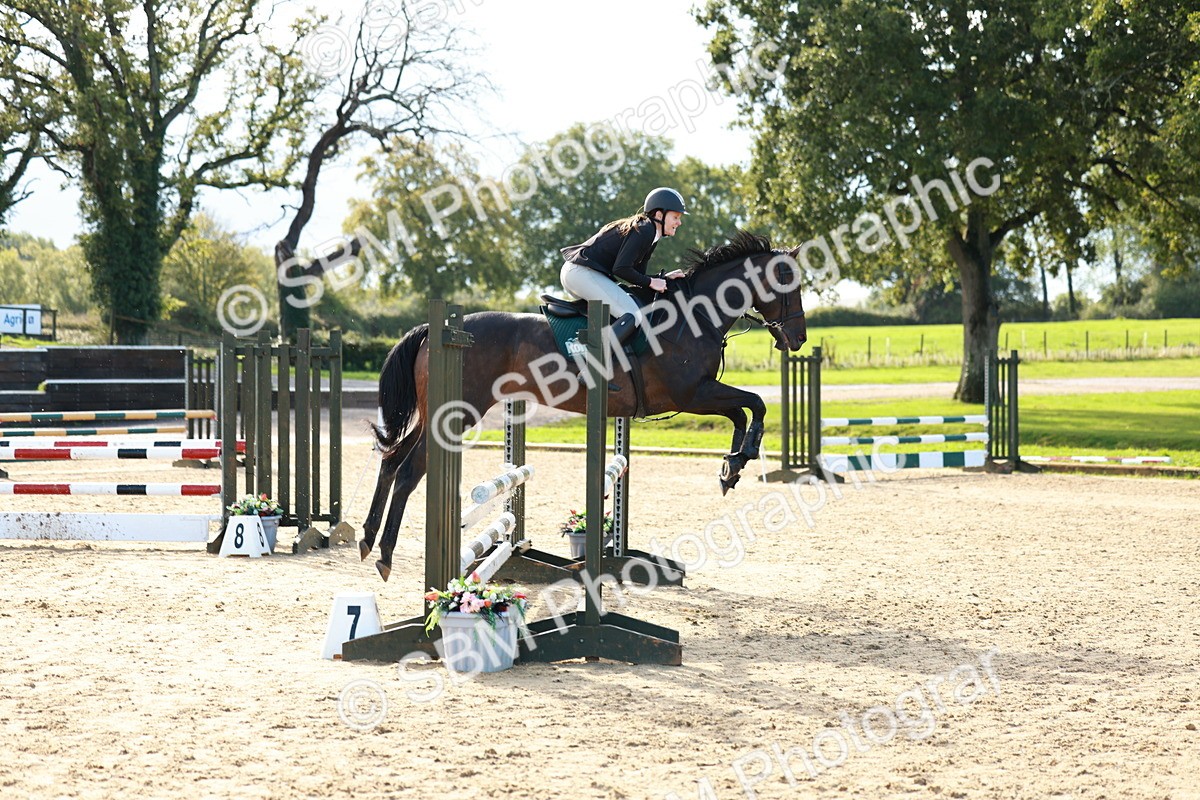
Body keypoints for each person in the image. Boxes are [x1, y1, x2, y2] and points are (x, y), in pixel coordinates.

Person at [559, 187, 688, 345]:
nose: (679, 222)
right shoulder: (646, 229)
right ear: (659, 215)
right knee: (633, 315)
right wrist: (651, 282)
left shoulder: (651, 233)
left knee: (615, 315)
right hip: (581, 273)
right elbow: (621, 269)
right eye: (675, 217)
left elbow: (637, 275)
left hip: (579, 273)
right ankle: (592, 364)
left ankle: (592, 353)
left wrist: (663, 278)